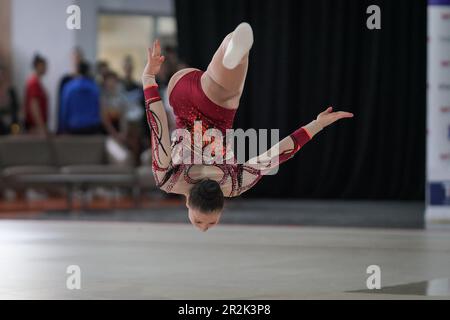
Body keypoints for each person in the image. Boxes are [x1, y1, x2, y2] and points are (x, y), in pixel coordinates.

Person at [142, 23, 354, 232]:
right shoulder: (167, 181)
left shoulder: (235, 185)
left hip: (218, 105)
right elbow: (157, 128)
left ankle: (234, 50)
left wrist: (317, 124)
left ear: (222, 204)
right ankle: (232, 50)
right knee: (227, 63)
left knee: (235, 61)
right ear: (189, 205)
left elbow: (277, 154)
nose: (204, 229)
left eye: (200, 223)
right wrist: (148, 78)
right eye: (210, 224)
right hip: (180, 95)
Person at [59, 61, 102, 134]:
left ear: (77, 71)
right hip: (92, 127)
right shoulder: (94, 87)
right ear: (88, 71)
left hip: (73, 127)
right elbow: (99, 107)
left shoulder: (68, 87)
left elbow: (64, 109)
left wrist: (62, 128)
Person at [57, 47, 84, 133]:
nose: (76, 60)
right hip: (69, 124)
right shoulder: (65, 80)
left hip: (84, 125)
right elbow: (61, 105)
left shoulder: (87, 80)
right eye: (74, 58)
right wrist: (61, 127)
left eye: (78, 57)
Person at [24, 54, 48, 135]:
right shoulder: (34, 83)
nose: (46, 68)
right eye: (44, 65)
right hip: (35, 127)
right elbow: (34, 106)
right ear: (38, 66)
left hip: (37, 126)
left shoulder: (37, 83)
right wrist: (41, 127)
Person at [0, 64, 19, 135]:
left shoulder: (11, 91)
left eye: (2, 74)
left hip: (11, 125)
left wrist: (15, 130)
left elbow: (16, 109)